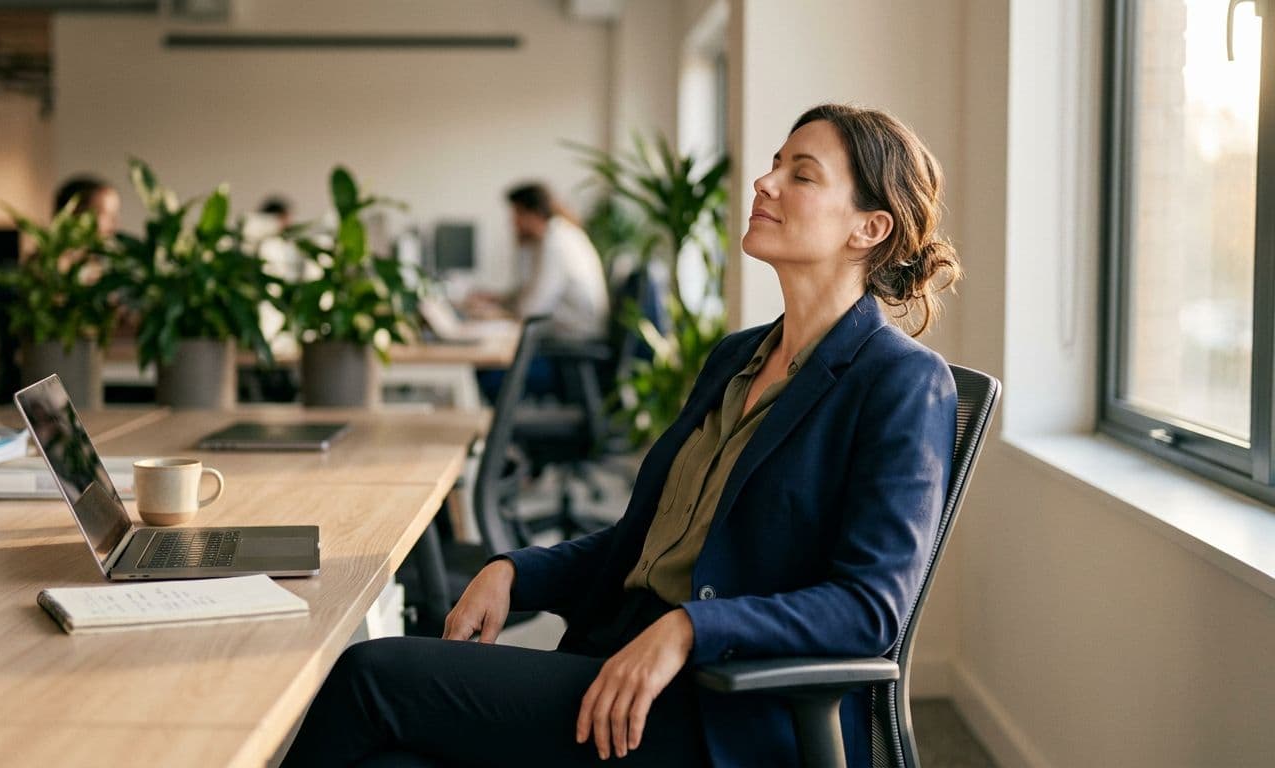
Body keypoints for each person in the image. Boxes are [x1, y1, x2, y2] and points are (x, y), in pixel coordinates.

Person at [281, 103, 963, 768]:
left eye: (802, 174)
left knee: (371, 677)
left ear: (869, 228)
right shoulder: (737, 357)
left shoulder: (900, 382)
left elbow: (869, 607)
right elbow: (644, 543)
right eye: (774, 164)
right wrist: (515, 569)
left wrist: (692, 629)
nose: (765, 182)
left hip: (717, 709)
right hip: (619, 655)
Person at [469, 182, 610, 399]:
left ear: (531, 213)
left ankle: (508, 431)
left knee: (489, 371)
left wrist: (494, 313)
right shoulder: (556, 236)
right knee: (486, 366)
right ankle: (505, 430)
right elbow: (527, 292)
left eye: (516, 215)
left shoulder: (557, 243)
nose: (512, 223)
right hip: (564, 348)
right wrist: (499, 299)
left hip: (570, 356)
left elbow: (529, 309)